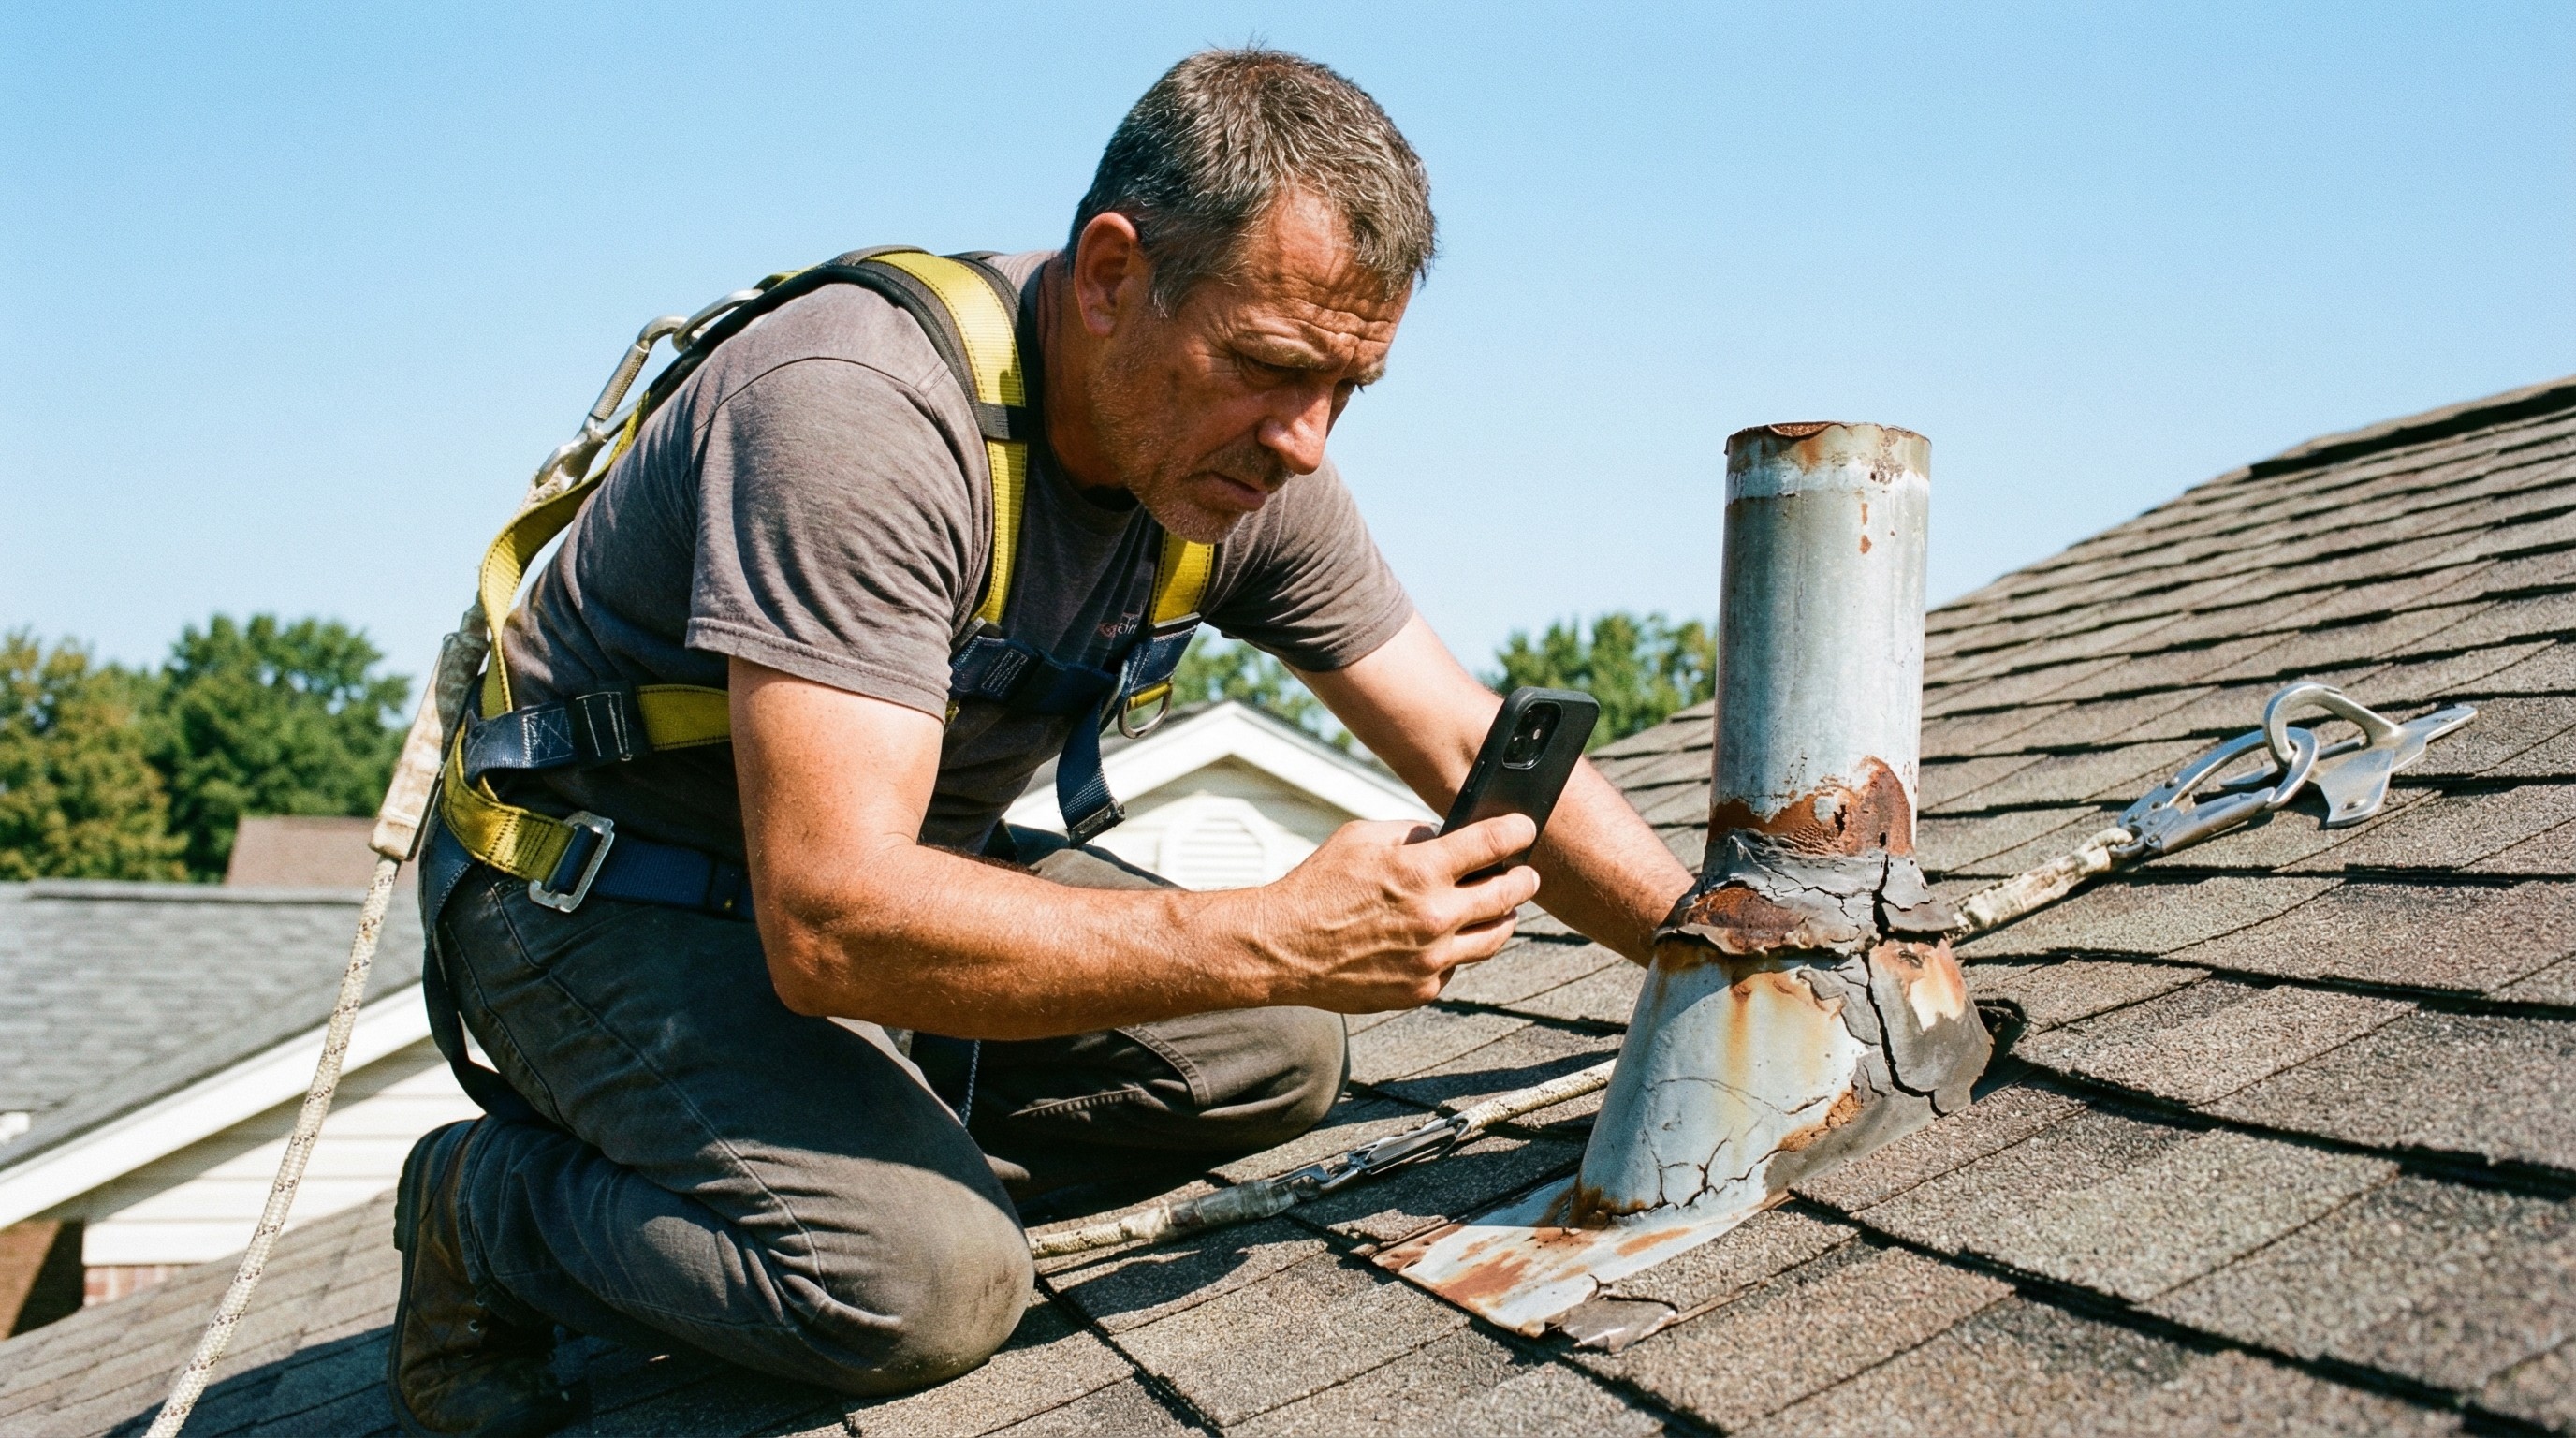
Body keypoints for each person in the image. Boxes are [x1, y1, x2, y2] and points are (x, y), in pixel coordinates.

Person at [388, 46, 1693, 1436]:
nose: (1305, 443)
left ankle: (837, 1152)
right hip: (593, 894)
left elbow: (1460, 730)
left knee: (1282, 1056)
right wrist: (1275, 929)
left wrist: (1733, 957)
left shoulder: (1240, 463)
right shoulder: (859, 416)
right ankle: (488, 1208)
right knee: (920, 1286)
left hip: (864, 881)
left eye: (1348, 389)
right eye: (1269, 366)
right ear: (1114, 275)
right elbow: (829, 922)